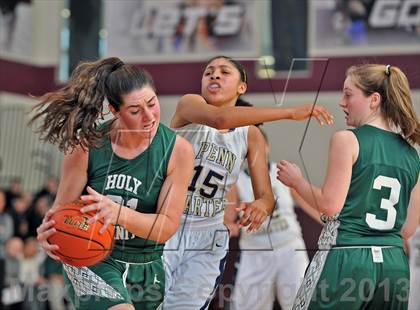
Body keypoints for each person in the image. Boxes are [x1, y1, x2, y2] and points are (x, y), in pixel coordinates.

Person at [162, 55, 333, 309]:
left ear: (242, 87)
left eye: (224, 72)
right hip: (168, 226)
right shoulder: (189, 105)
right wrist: (290, 112)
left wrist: (262, 206)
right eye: (209, 71)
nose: (214, 75)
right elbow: (220, 119)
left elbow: (265, 195)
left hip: (208, 236)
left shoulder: (250, 135)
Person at [32, 57, 194, 310]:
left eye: (152, 103)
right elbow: (61, 209)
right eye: (135, 111)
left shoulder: (177, 151)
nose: (149, 116)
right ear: (115, 110)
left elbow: (165, 227)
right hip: (91, 257)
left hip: (147, 264)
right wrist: (49, 229)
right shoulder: (86, 145)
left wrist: (118, 213)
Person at [277, 64, 420, 309]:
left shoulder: (347, 140)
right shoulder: (412, 153)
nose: (342, 102)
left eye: (348, 94)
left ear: (374, 100)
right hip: (394, 265)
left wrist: (297, 182)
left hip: (348, 258)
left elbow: (330, 207)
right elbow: (407, 229)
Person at [226, 126, 322, 310]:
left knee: (301, 303)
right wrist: (229, 227)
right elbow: (231, 222)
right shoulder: (236, 182)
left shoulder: (282, 173)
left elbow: (308, 205)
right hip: (255, 252)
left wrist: (335, 227)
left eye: (258, 145)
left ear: (267, 146)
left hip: (289, 248)